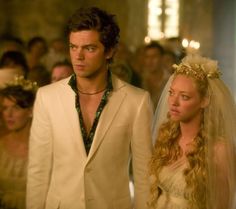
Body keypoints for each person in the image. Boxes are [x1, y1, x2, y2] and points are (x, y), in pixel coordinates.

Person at [27, 6, 153, 209]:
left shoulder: (136, 101)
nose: (78, 56)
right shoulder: (47, 97)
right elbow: (38, 171)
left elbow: (144, 175)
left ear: (110, 51)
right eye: (73, 47)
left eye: (89, 48)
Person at [149, 54, 236, 209]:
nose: (173, 102)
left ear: (204, 101)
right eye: (171, 93)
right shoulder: (167, 139)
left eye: (184, 96)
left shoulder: (219, 150)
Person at [0, 76, 37, 209]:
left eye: (15, 108)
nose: (8, 114)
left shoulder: (42, 147)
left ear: (30, 111)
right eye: (5, 108)